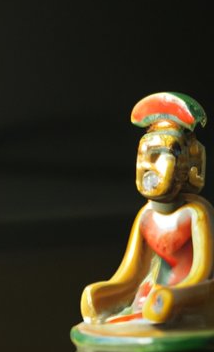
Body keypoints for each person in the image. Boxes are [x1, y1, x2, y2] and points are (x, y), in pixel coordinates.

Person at [81, 92, 214, 324]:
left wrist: (175, 293)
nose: (148, 164)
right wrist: (103, 294)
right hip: (153, 295)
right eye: (144, 153)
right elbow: (130, 272)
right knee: (94, 300)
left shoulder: (196, 214)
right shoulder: (146, 216)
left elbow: (201, 272)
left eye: (163, 153)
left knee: (164, 303)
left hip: (184, 294)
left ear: (190, 164)